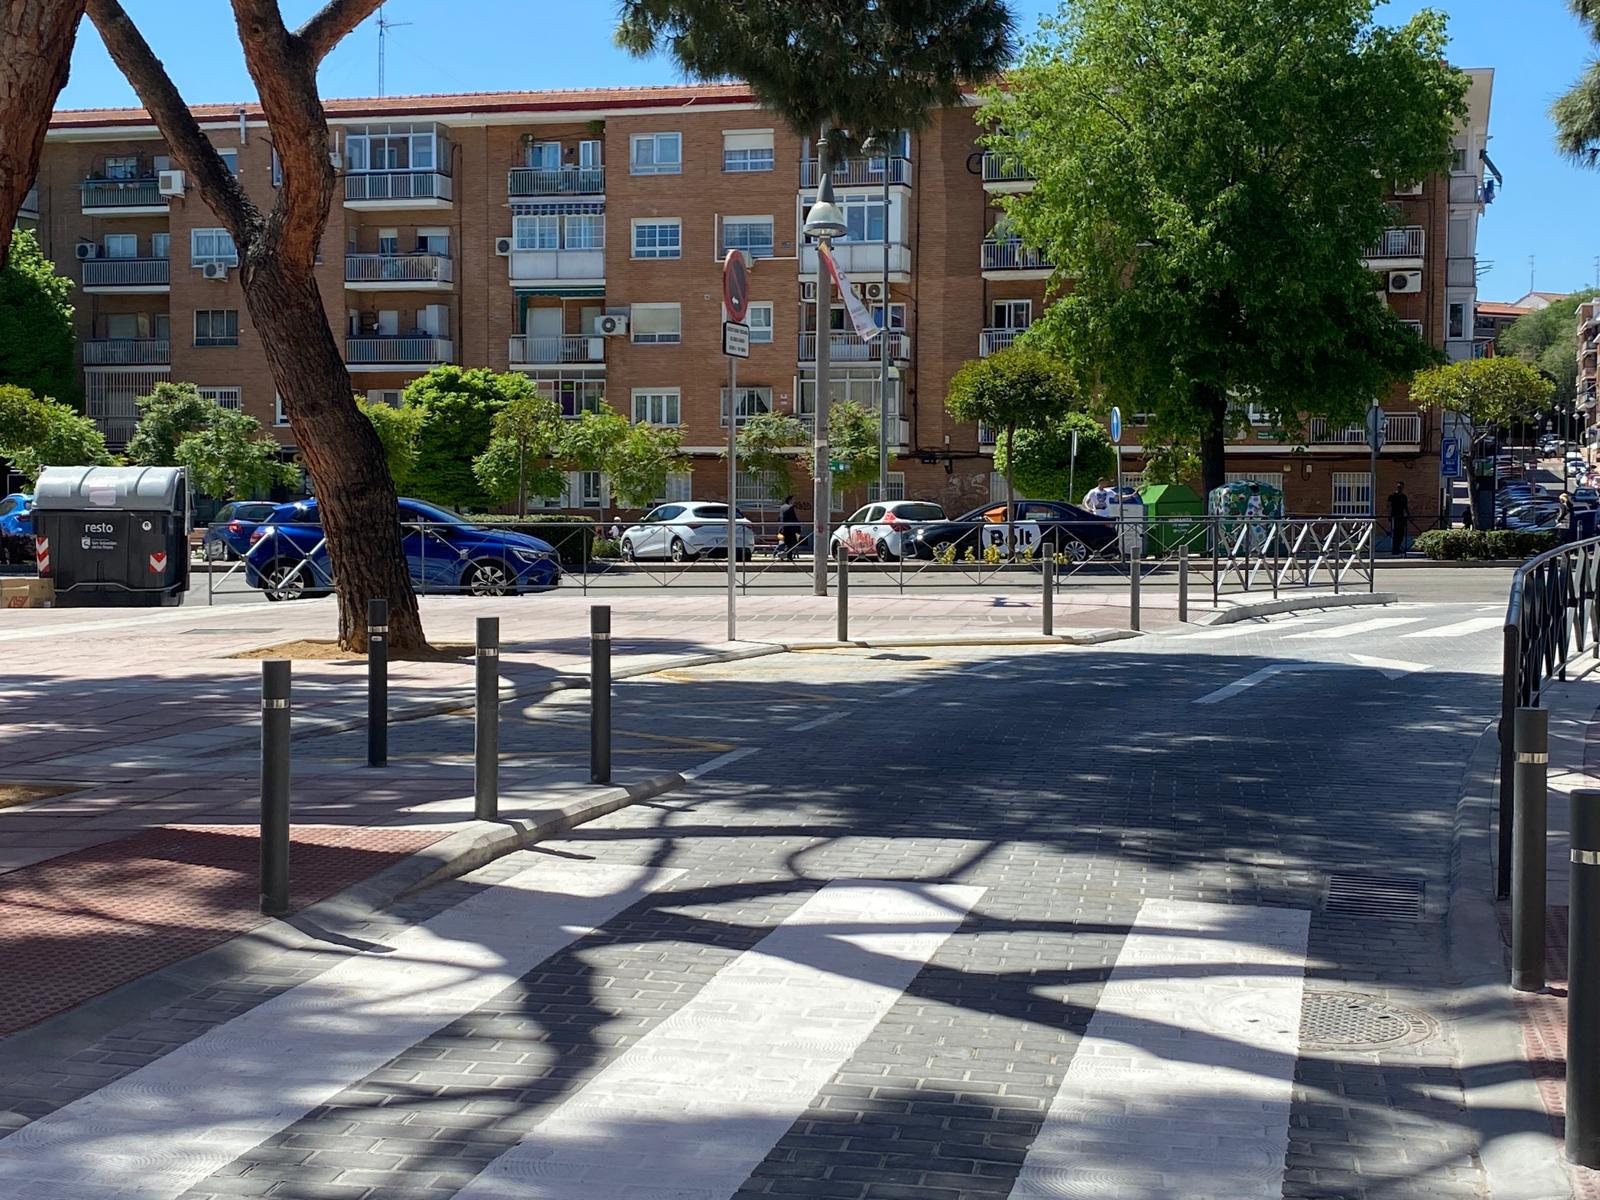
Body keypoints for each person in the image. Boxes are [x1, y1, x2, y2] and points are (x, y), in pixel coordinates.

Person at [1387, 482, 1410, 556]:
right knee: (1395, 533)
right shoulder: (1392, 496)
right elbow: (1389, 506)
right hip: (1395, 516)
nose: (1400, 488)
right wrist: (1389, 516)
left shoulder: (1404, 497)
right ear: (1397, 487)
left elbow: (1406, 507)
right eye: (1399, 487)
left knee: (1401, 533)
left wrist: (1409, 515)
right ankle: (1394, 549)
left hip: (1401, 516)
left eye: (1401, 487)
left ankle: (1398, 547)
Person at [778, 494, 801, 561]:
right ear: (790, 500)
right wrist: (799, 526)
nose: (794, 501)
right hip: (790, 529)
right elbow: (793, 519)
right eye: (793, 500)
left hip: (782, 529)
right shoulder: (790, 507)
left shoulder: (781, 507)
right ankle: (788, 556)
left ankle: (782, 555)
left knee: (785, 543)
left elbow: (780, 518)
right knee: (792, 543)